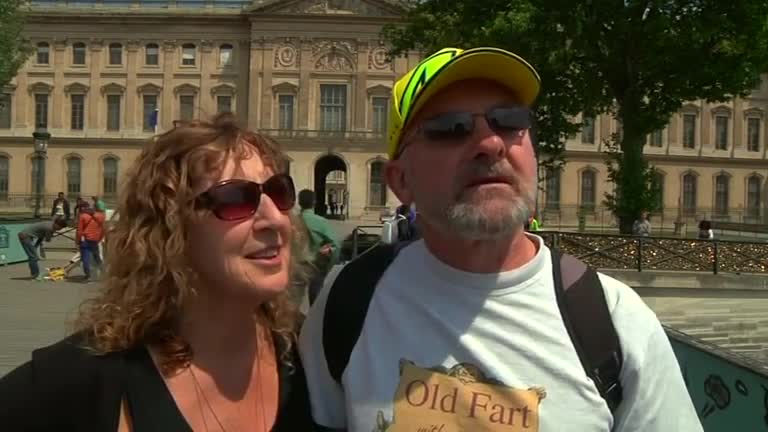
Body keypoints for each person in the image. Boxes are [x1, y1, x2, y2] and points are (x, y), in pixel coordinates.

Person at [299, 47, 701, 431]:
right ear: (401, 180)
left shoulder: (618, 323)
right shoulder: (346, 303)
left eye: (509, 120)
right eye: (450, 128)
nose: (490, 143)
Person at [0, 113, 313, 431]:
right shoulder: (81, 378)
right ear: (171, 226)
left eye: (278, 192)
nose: (275, 219)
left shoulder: (318, 352)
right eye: (235, 198)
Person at [298, 189, 340, 305]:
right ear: (314, 202)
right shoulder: (321, 222)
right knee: (315, 299)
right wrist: (330, 263)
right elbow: (336, 245)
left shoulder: (292, 221)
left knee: (293, 302)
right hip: (316, 264)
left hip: (296, 265)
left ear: (299, 202)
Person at [76, 200, 106, 282]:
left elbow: (79, 230)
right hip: (95, 240)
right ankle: (105, 273)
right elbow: (103, 229)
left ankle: (88, 276)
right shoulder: (102, 216)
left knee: (86, 258)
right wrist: (99, 238)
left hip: (85, 239)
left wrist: (77, 241)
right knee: (97, 258)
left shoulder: (83, 216)